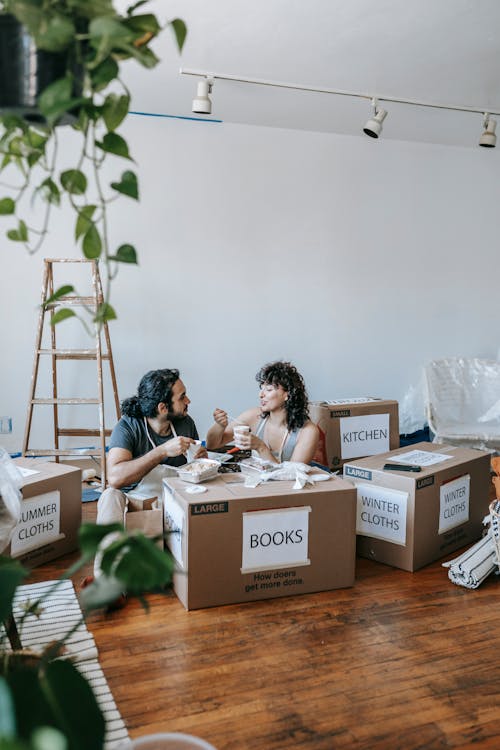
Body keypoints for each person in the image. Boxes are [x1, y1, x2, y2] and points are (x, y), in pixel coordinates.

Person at [96, 368, 206, 528]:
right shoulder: (128, 426)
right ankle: (112, 551)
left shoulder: (186, 423)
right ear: (162, 408)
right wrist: (162, 451)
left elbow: (197, 468)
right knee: (110, 496)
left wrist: (202, 462)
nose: (188, 401)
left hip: (176, 502)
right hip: (137, 504)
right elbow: (114, 479)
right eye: (182, 397)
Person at [206, 361, 319, 464]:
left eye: (269, 389)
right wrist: (219, 426)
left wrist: (260, 447)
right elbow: (212, 445)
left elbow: (292, 475)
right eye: (261, 388)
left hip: (287, 486)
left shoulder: (308, 431)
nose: (261, 395)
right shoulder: (254, 416)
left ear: (287, 395)